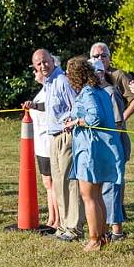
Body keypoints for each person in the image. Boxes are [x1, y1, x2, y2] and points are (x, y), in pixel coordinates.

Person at [62, 57, 123, 252]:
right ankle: (103, 235)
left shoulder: (87, 92)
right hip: (98, 149)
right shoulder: (101, 91)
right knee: (96, 196)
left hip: (90, 150)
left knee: (88, 196)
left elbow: (94, 118)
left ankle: (95, 239)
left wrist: (75, 122)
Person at [24, 49, 85, 241]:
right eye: (39, 64)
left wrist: (69, 121)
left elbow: (76, 106)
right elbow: (52, 107)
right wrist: (35, 106)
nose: (43, 66)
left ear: (53, 60)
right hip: (52, 137)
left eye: (45, 61)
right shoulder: (48, 84)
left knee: (70, 182)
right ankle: (63, 226)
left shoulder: (62, 80)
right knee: (58, 184)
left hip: (65, 136)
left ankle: (74, 227)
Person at [90, 58, 129, 241]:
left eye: (95, 73)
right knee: (101, 189)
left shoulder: (110, 92)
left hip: (113, 146)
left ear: (101, 73)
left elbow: (118, 123)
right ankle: (104, 228)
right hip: (99, 147)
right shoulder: (94, 93)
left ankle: (117, 231)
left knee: (112, 188)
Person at [30, 58, 60, 230]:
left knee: (53, 183)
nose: (35, 72)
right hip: (40, 143)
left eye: (37, 70)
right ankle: (51, 217)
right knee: (47, 183)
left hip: (49, 142)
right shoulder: (42, 90)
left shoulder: (52, 89)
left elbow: (48, 108)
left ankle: (58, 220)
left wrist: (34, 105)